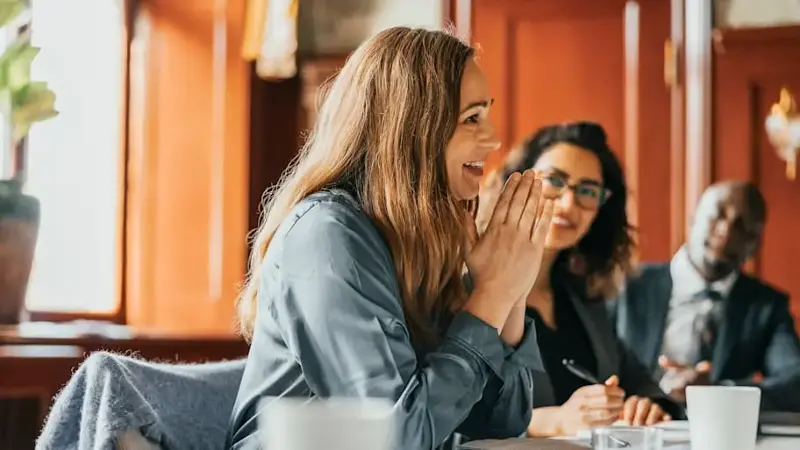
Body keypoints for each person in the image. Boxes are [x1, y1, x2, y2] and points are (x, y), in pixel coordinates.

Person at [226, 27, 555, 450]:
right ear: (413, 127)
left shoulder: (423, 234)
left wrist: (511, 292)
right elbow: (394, 440)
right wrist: (490, 296)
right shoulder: (327, 237)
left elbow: (502, 421)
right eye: (472, 118)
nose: (493, 139)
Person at [477, 122, 681, 438]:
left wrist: (647, 404)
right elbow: (452, 419)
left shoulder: (583, 297)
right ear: (515, 181)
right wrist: (556, 420)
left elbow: (639, 381)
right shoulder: (467, 288)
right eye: (554, 180)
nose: (569, 203)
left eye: (587, 191)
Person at [611, 181, 800, 411]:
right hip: (634, 431)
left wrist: (718, 391)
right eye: (717, 214)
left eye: (741, 226)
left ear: (755, 243)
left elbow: (794, 382)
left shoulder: (766, 306)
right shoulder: (626, 284)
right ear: (692, 218)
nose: (726, 230)